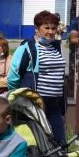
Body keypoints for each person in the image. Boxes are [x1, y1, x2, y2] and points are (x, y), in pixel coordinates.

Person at [8, 10, 65, 144]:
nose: (51, 31)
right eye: (46, 28)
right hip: (34, 104)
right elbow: (12, 77)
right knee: (38, 141)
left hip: (54, 102)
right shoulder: (27, 48)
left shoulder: (56, 47)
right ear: (36, 28)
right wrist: (18, 97)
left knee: (59, 140)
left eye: (53, 28)